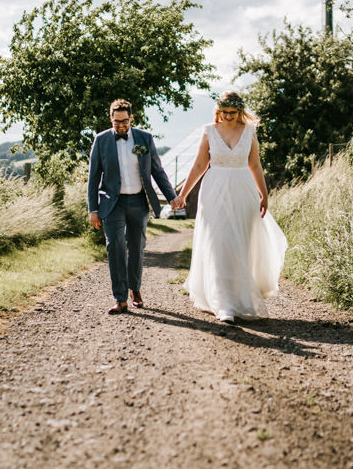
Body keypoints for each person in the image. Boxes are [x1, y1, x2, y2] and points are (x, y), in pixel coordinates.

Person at [169, 91, 287, 324]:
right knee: (220, 242)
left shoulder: (250, 132)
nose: (228, 116)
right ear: (218, 111)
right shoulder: (209, 131)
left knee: (239, 244)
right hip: (214, 192)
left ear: (240, 111)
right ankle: (223, 304)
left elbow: (254, 164)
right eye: (224, 112)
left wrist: (264, 194)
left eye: (233, 113)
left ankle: (239, 298)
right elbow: (200, 164)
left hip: (243, 191)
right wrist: (183, 194)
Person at [88, 99, 177, 315]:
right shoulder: (101, 140)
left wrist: (172, 197)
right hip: (112, 203)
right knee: (115, 247)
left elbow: (157, 171)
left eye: (125, 121)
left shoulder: (144, 138)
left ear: (131, 118)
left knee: (137, 247)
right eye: (117, 122)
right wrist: (93, 209)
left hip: (138, 201)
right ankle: (120, 298)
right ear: (111, 119)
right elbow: (93, 177)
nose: (121, 125)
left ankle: (135, 289)